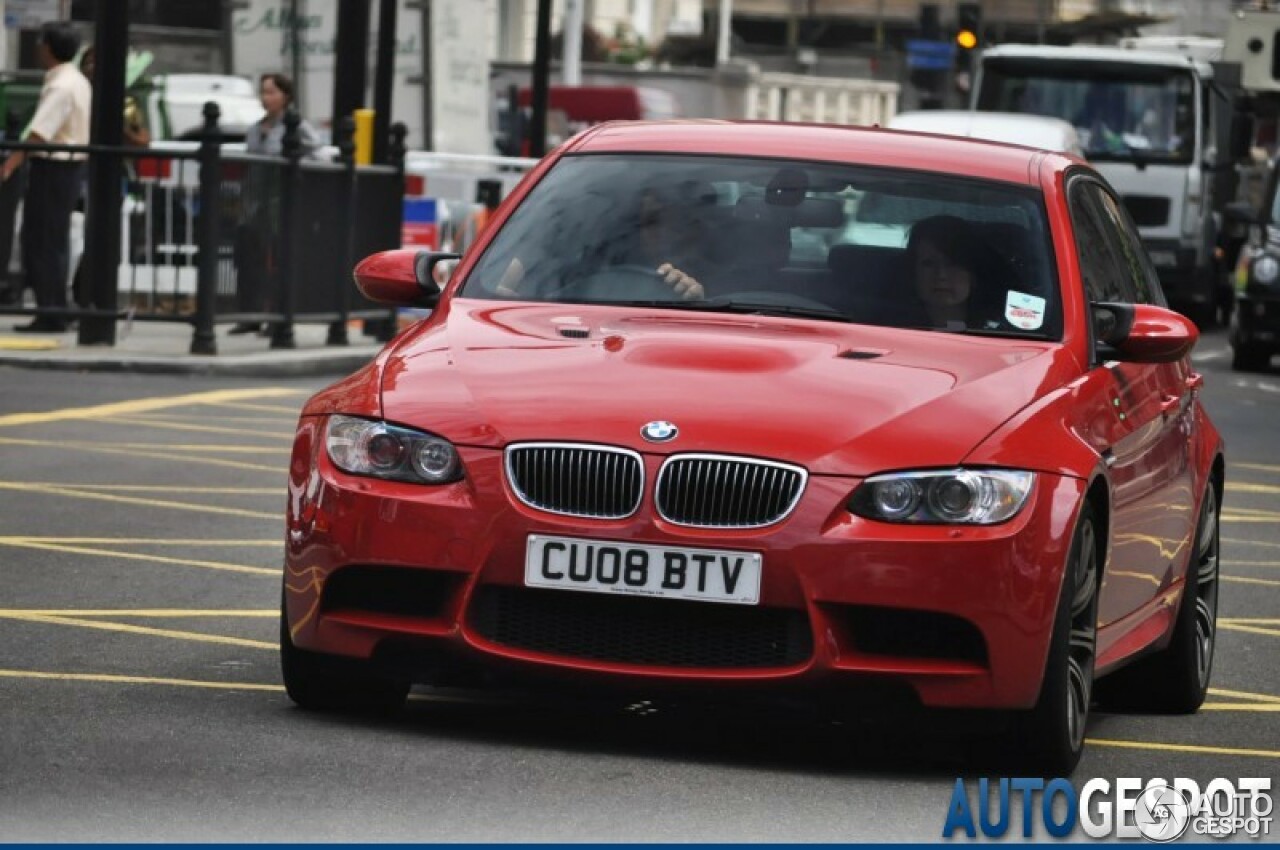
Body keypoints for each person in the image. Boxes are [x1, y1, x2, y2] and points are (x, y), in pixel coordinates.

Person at [1, 22, 91, 333]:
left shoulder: (60, 86)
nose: (38, 48)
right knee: (53, 239)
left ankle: (51, 311)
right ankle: (55, 308)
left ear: (49, 47)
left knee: (40, 240)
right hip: (69, 168)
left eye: (41, 43)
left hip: (53, 168)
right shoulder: (77, 81)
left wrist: (10, 164)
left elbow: (39, 133)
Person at [494, 183, 710, 300]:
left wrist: (695, 303)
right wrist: (502, 291)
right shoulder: (577, 266)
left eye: (670, 220)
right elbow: (497, 289)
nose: (661, 232)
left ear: (690, 226)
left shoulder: (728, 283)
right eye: (650, 221)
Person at [229, 72, 320, 335]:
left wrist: (296, 169)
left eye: (272, 92)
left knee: (277, 261)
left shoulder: (296, 126)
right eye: (263, 92)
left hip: (282, 203)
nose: (266, 97)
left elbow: (318, 154)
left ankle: (277, 318)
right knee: (249, 258)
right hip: (255, 204)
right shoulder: (256, 129)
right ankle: (250, 315)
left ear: (286, 96)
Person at [903, 215, 1002, 330]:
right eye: (928, 264)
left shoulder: (1000, 333)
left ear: (973, 274)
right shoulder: (889, 328)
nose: (941, 275)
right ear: (913, 272)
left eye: (953, 264)